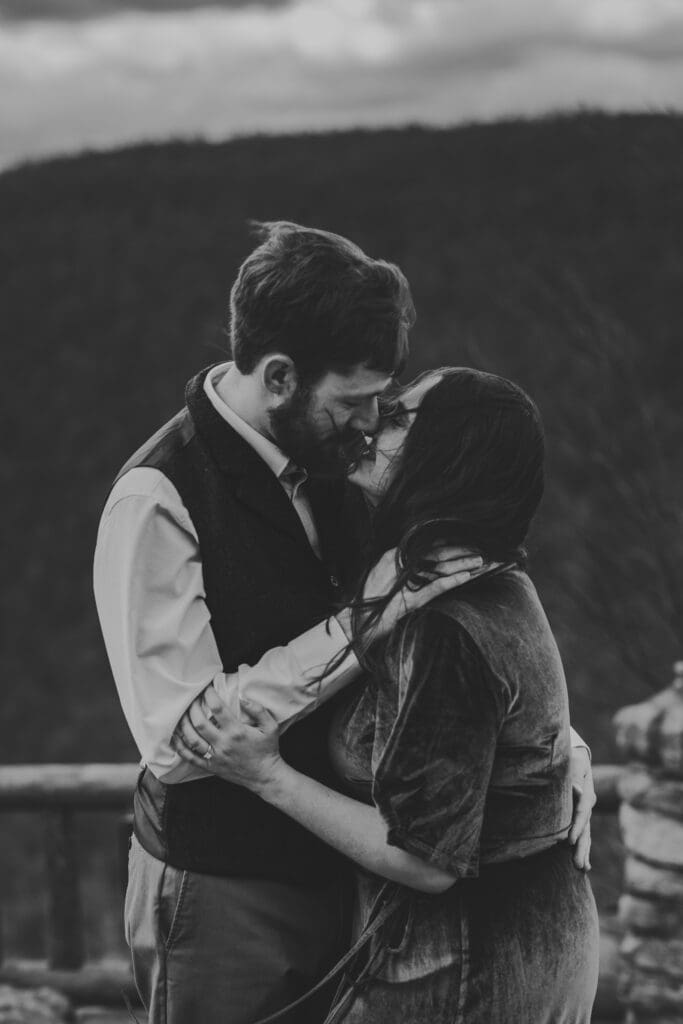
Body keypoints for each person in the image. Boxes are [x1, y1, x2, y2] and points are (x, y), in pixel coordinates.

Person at [93, 222, 491, 1024]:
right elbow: (183, 739)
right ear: (278, 376)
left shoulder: (338, 460)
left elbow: (445, 631)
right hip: (224, 892)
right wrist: (363, 620)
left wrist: (557, 754)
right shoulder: (157, 499)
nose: (371, 423)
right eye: (353, 401)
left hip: (353, 874)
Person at [174, 367, 600, 1023]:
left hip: (466, 967)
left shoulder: (440, 621)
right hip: (516, 946)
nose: (372, 422)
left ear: (447, 458)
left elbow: (424, 860)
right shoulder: (469, 573)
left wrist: (265, 774)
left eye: (400, 417)